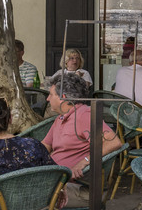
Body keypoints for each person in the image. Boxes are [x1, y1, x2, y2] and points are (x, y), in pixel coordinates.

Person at [43, 74, 125, 202]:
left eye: (51, 95)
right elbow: (45, 146)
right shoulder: (61, 117)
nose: (48, 99)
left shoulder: (83, 115)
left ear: (63, 97)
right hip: (54, 181)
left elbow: (114, 142)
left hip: (75, 187)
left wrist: (84, 162)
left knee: (24, 197)